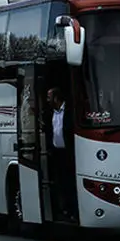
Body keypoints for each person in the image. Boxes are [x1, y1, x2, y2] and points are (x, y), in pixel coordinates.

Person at [45, 87, 77, 223]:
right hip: (57, 153)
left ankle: (73, 210)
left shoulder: (69, 112)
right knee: (60, 183)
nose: (47, 100)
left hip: (68, 153)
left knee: (70, 183)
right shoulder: (50, 113)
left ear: (56, 98)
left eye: (49, 97)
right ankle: (63, 209)